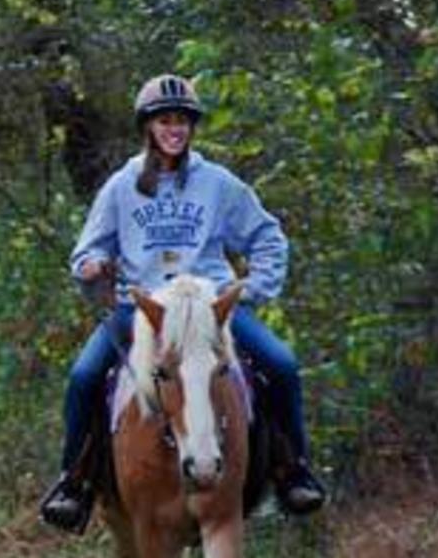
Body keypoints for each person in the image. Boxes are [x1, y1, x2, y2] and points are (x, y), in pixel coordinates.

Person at [40, 74, 327, 533]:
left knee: (282, 363)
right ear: (148, 127)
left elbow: (267, 236)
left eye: (182, 122)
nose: (174, 130)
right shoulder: (122, 186)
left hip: (209, 306)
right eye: (164, 121)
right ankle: (74, 483)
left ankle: (292, 471)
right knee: (83, 377)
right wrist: (92, 266)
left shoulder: (219, 183)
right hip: (144, 306)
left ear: (192, 128)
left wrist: (253, 289)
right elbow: (86, 250)